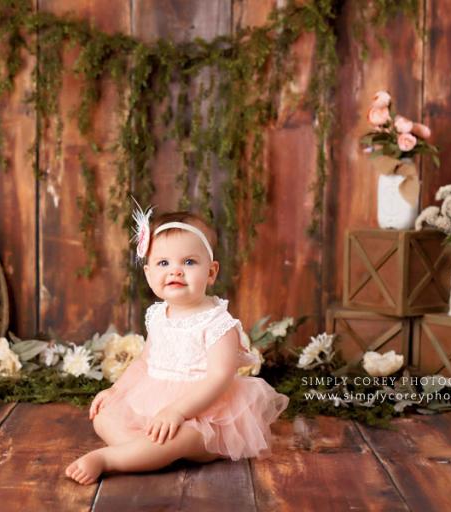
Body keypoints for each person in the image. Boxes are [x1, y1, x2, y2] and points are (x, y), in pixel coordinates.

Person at [65, 207, 289, 485]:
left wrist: (177, 412)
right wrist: (116, 389)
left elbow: (219, 377)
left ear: (211, 272)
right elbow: (144, 362)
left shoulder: (219, 322)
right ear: (148, 274)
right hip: (155, 402)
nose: (175, 271)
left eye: (189, 262)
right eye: (163, 264)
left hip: (205, 413)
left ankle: (111, 458)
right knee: (103, 416)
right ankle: (148, 452)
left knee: (184, 435)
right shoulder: (158, 316)